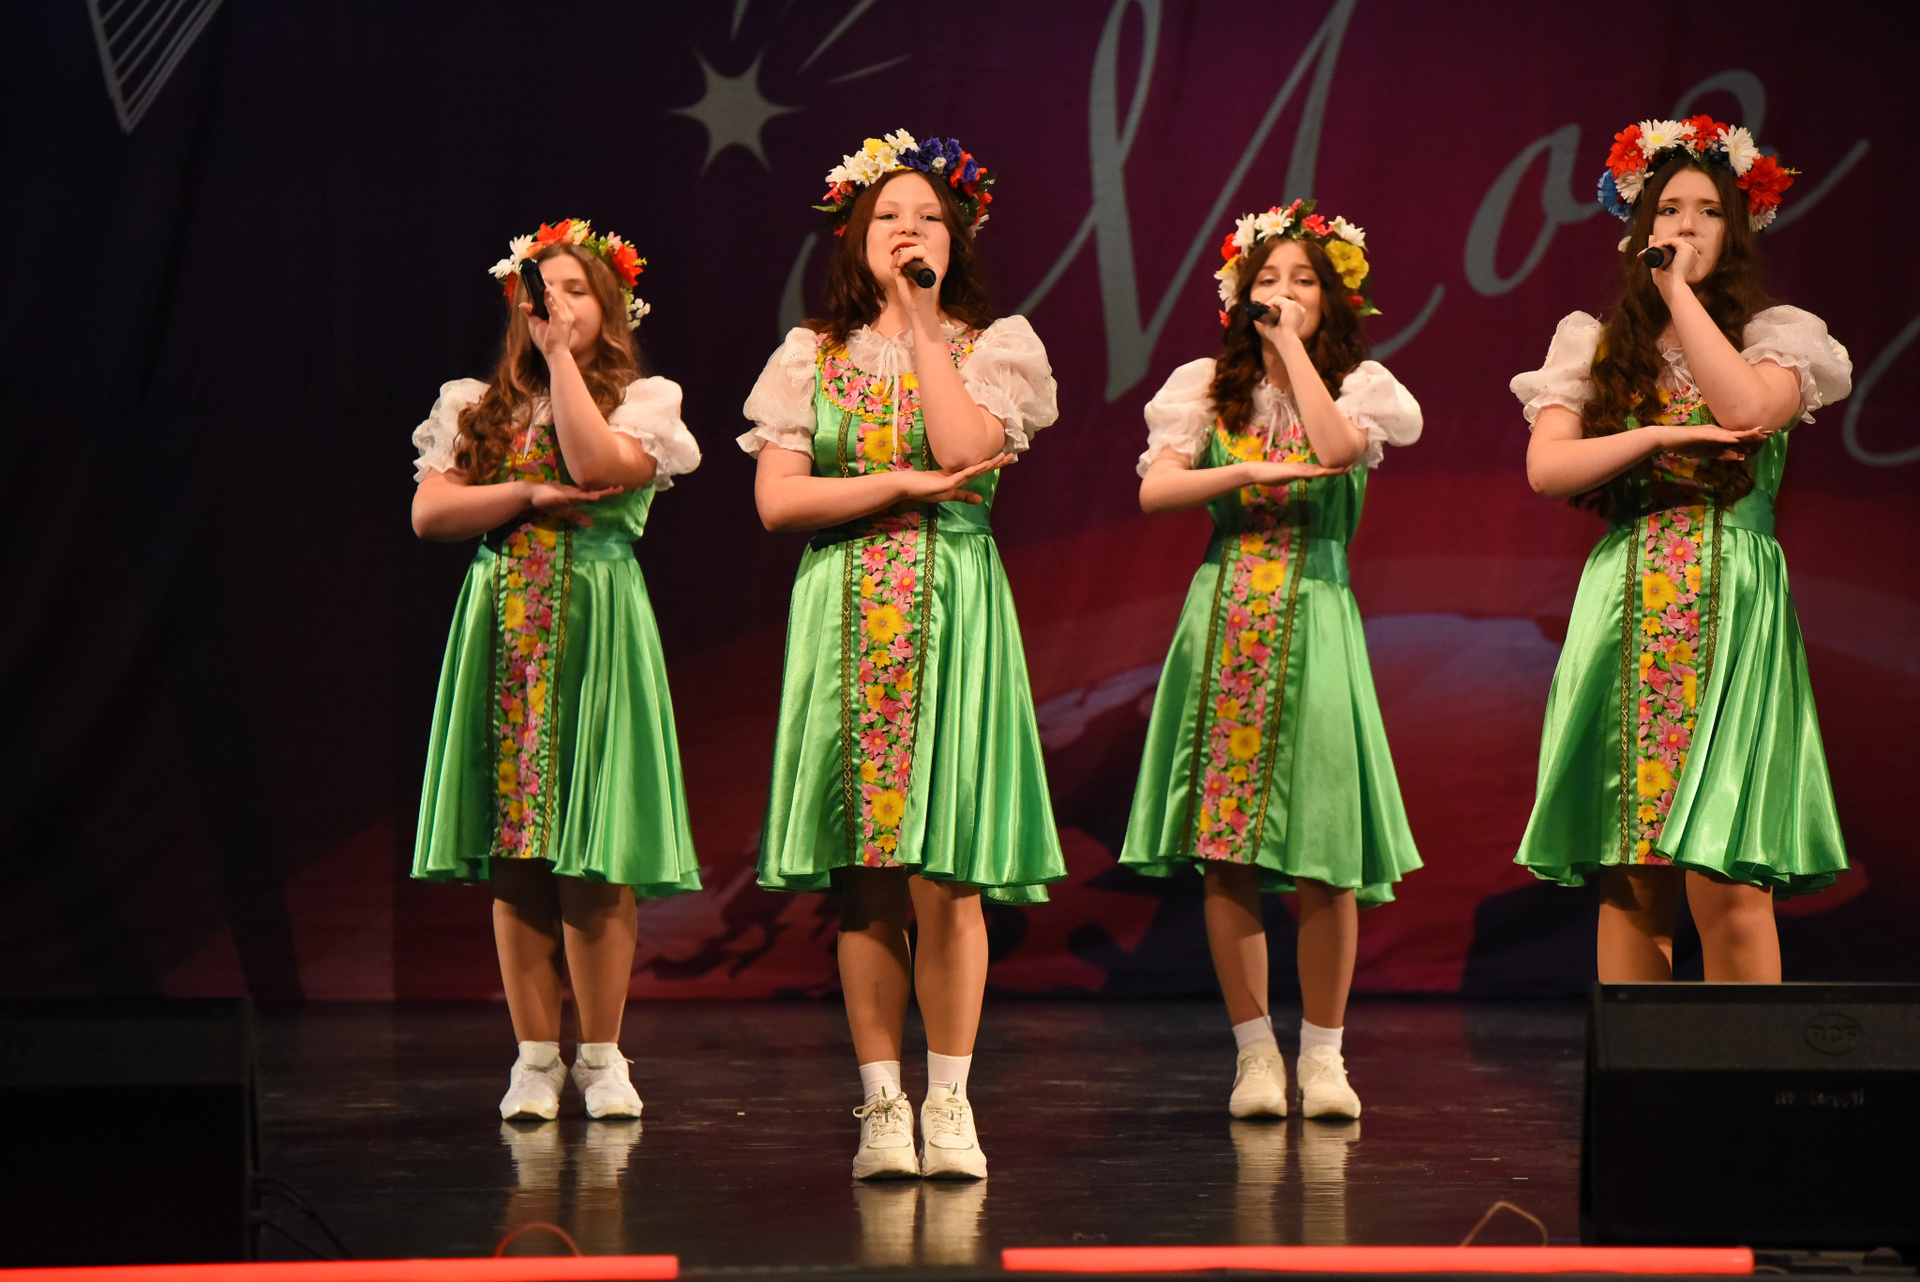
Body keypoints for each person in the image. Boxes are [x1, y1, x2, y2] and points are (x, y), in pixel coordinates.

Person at [740, 131, 1064, 1179]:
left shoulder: (993, 344)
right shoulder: (811, 355)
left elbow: (967, 450)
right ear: (854, 235)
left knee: (947, 874)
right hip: (846, 614)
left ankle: (950, 1101)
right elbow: (778, 501)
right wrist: (895, 486)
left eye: (928, 217)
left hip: (951, 608)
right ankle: (882, 1102)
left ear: (956, 237)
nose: (909, 231)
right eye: (889, 217)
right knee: (867, 875)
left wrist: (924, 323)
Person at [1512, 117, 1852, 981]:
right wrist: (1659, 435)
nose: (1687, 226)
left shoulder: (1779, 335)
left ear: (1734, 230)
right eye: (1670, 209)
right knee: (1633, 875)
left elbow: (1745, 412)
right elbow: (1549, 468)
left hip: (1731, 602)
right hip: (1627, 600)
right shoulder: (1593, 343)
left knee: (1729, 877)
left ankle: (1744, 1069)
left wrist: (1679, 296)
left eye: (1708, 211)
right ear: (1641, 225)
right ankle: (1641, 1068)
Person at [1122, 201, 1423, 1122]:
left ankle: (1324, 1056)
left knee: (1327, 849)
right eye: (1267, 281)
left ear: (1331, 299)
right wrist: (1247, 472)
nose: (1283, 293)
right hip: (1226, 619)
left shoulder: (1361, 385)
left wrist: (1292, 350)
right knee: (1228, 849)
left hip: (1317, 612)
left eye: (1302, 282)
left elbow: (1337, 449)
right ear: (1238, 295)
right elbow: (1157, 490)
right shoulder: (1204, 388)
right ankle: (1255, 1053)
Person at [411, 220, 702, 1120]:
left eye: (580, 292)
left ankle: (602, 1058)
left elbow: (595, 462)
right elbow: (432, 513)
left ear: (609, 310)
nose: (561, 306)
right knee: (519, 848)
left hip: (596, 629)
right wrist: (526, 495)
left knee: (595, 851)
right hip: (504, 628)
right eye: (547, 293)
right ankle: (535, 1059)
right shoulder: (476, 404)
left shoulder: (643, 400)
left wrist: (564, 363)